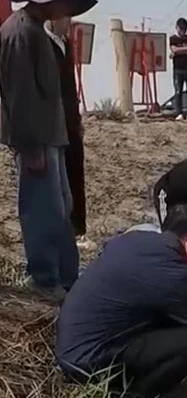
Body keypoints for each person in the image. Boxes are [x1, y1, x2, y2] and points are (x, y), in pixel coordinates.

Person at [55, 205, 187, 398]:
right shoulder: (175, 274)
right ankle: (133, 397)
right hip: (88, 362)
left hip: (74, 344)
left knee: (177, 324)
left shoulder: (138, 239)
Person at [0, 0, 97, 300]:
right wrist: (30, 146)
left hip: (51, 137)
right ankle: (45, 279)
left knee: (60, 210)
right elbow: (20, 96)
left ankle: (67, 276)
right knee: (42, 211)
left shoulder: (36, 31)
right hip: (37, 140)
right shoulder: (18, 33)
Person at [44, 15, 95, 251]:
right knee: (56, 181)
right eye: (65, 16)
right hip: (51, 124)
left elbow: (70, 85)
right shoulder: (42, 43)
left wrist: (77, 119)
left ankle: (78, 230)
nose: (69, 21)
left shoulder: (65, 44)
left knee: (75, 175)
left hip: (70, 121)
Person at [169, 17, 187, 121]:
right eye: (180, 28)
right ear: (176, 28)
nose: (182, 30)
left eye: (184, 28)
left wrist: (177, 52)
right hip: (178, 69)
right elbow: (173, 49)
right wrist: (185, 49)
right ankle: (179, 112)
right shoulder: (173, 38)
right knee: (178, 91)